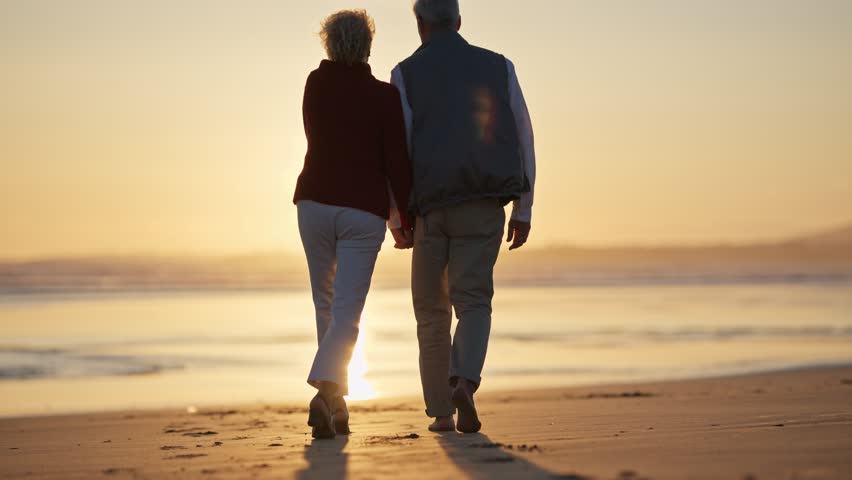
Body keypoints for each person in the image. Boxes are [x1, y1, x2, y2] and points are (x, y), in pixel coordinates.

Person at [391, 0, 537, 433]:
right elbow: (522, 134)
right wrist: (524, 206)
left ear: (419, 24)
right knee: (473, 301)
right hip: (485, 204)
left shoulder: (404, 74)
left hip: (431, 210)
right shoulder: (499, 67)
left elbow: (400, 150)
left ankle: (441, 412)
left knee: (431, 312)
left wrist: (396, 216)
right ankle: (465, 382)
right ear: (458, 21)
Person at [295, 9, 413, 439]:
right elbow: (396, 162)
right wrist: (406, 217)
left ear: (328, 43)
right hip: (362, 209)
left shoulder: (316, 83)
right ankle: (326, 392)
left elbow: (316, 135)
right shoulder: (384, 97)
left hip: (313, 202)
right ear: (368, 45)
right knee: (348, 308)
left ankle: (338, 404)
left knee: (325, 303)